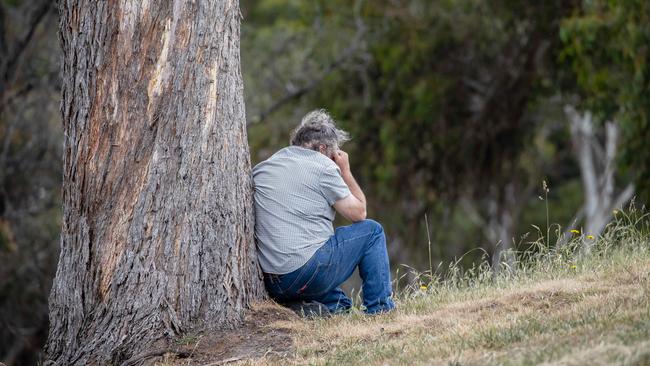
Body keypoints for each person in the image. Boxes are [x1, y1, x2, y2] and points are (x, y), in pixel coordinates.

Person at [252, 109, 395, 316]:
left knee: (342, 307)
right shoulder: (322, 166)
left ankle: (309, 309)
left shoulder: (265, 167)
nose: (334, 159)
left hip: (273, 282)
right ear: (321, 149)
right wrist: (345, 171)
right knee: (372, 232)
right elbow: (359, 213)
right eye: (333, 154)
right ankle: (381, 310)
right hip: (304, 273)